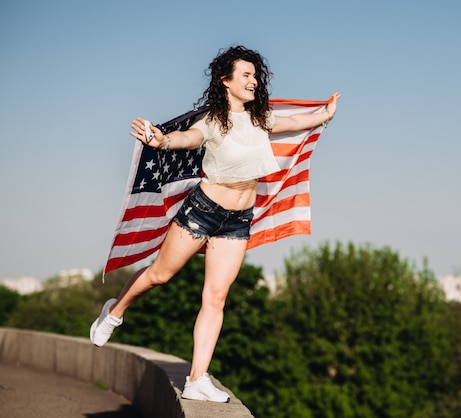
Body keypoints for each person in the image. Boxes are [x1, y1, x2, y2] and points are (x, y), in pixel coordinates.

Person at [89, 45, 340, 402]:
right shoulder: (211, 121)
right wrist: (161, 140)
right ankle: (114, 312)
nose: (253, 81)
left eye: (256, 75)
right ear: (226, 80)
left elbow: (295, 122)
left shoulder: (261, 118)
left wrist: (325, 114)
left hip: (239, 220)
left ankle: (196, 379)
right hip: (203, 210)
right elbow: (185, 139)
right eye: (246, 75)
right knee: (161, 274)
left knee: (216, 296)